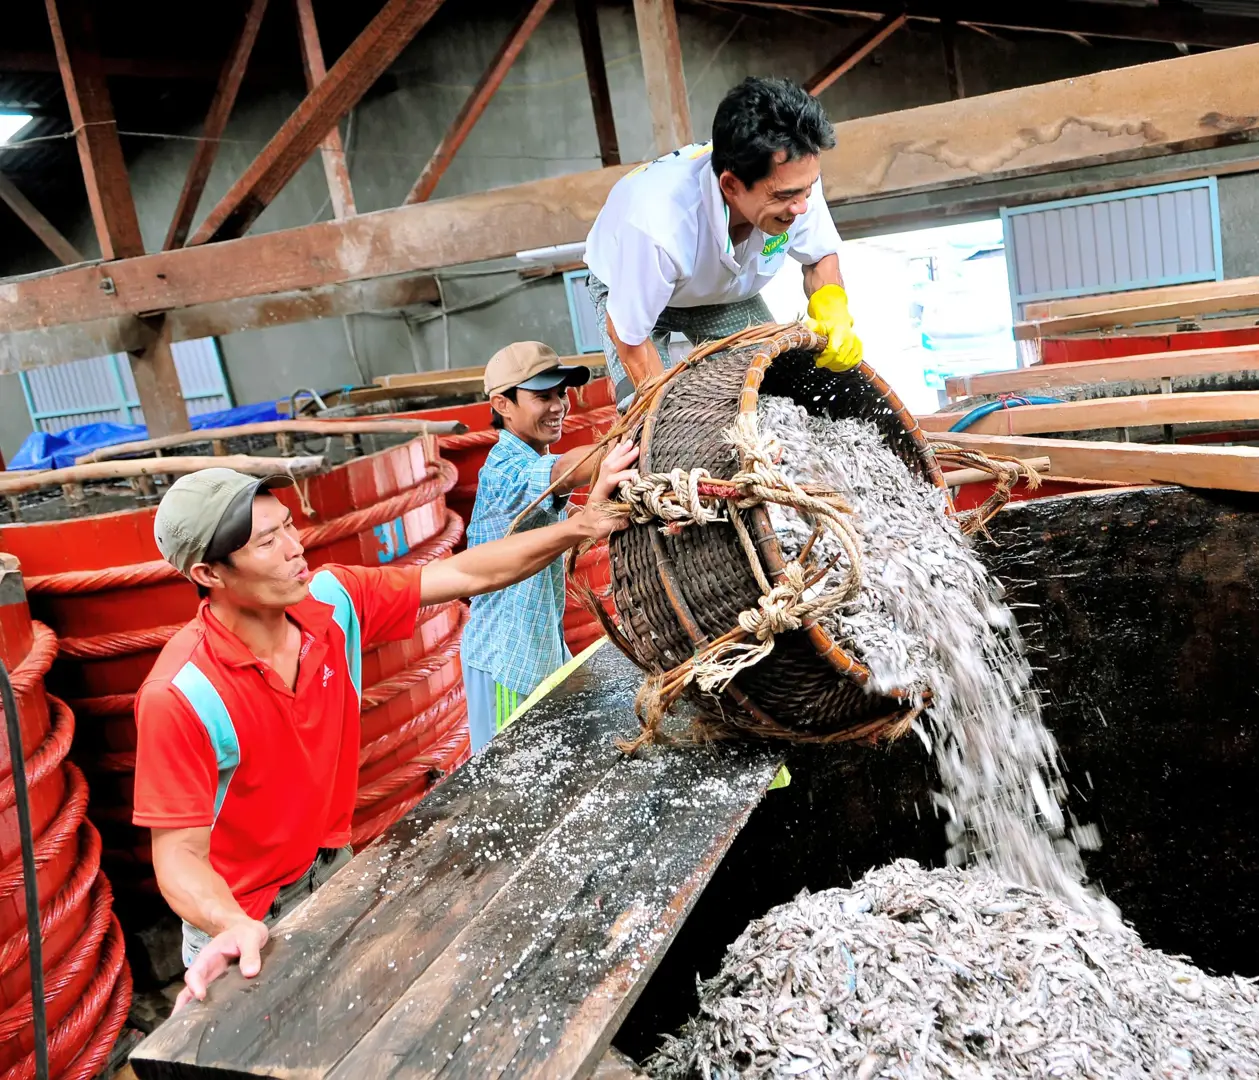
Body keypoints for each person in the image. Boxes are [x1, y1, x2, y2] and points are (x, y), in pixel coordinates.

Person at [132, 443, 638, 1006]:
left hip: (332, 865)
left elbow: (467, 570)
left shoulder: (332, 601)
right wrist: (229, 922)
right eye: (267, 542)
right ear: (208, 573)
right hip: (240, 916)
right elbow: (177, 856)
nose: (295, 549)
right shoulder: (181, 695)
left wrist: (581, 526)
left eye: (288, 528)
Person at [584, 75, 864, 405]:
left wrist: (832, 305)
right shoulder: (657, 226)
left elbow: (819, 257)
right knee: (646, 413)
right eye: (787, 196)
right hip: (631, 284)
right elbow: (629, 338)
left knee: (775, 393)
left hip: (722, 292)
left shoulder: (794, 181)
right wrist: (659, 410)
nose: (802, 206)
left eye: (808, 189)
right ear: (730, 185)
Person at [461, 341, 600, 751]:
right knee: (507, 784)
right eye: (542, 396)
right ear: (502, 404)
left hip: (539, 652)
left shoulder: (531, 458)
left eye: (560, 394)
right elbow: (562, 473)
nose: (558, 406)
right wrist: (635, 443)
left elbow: (566, 509)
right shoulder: (504, 468)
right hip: (508, 661)